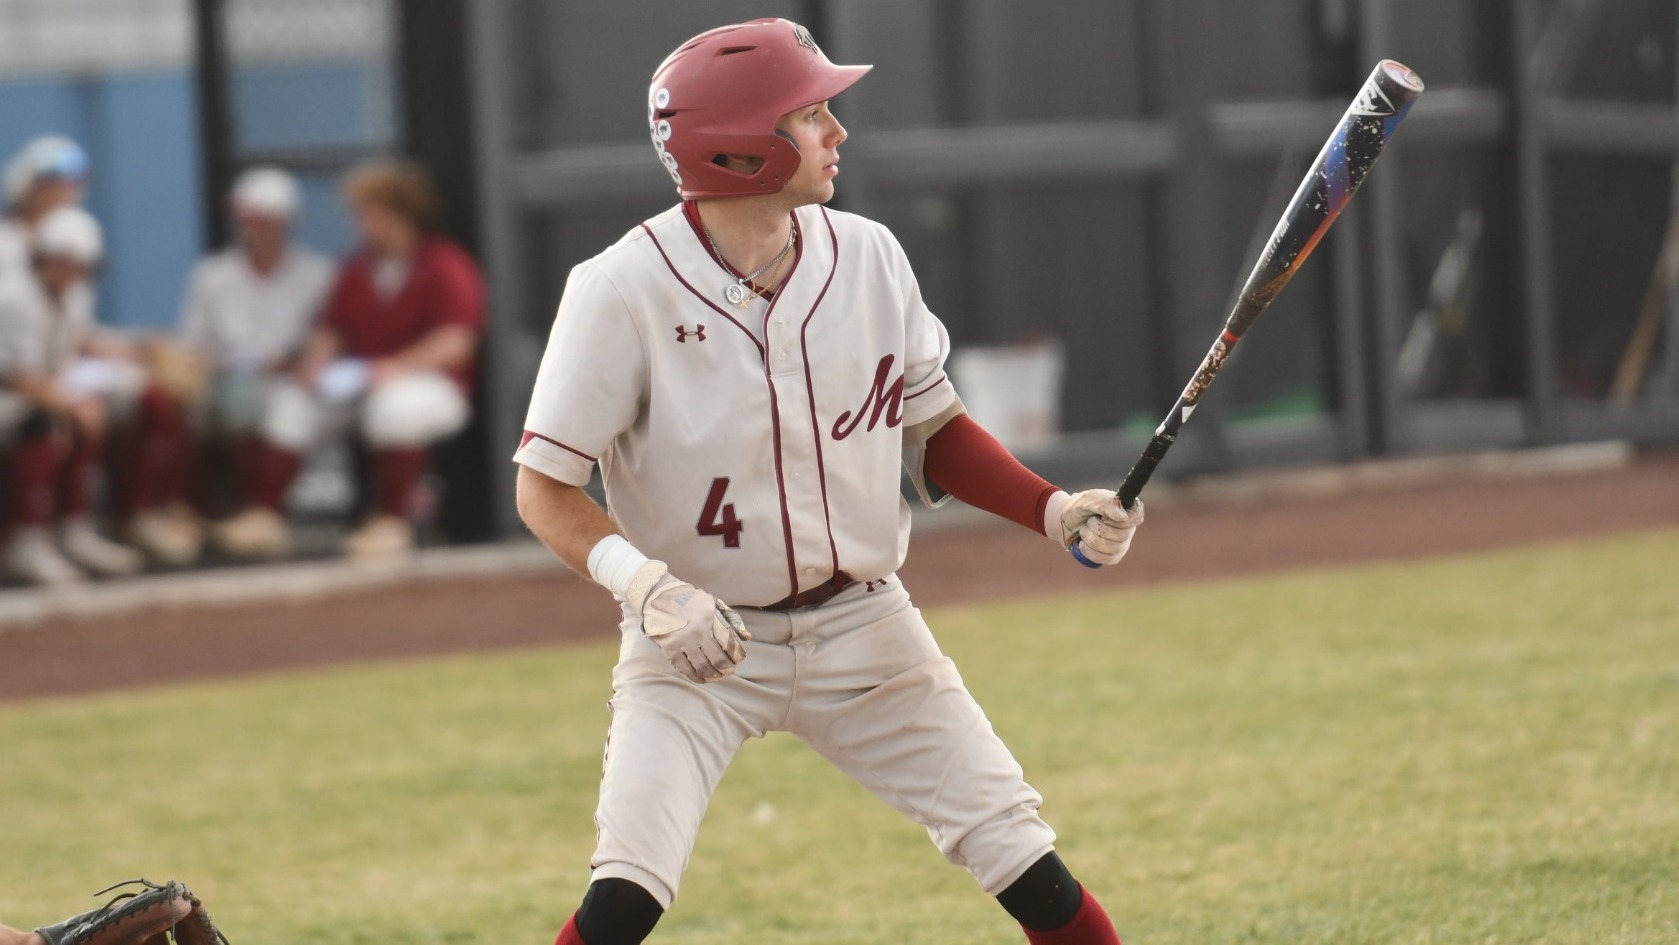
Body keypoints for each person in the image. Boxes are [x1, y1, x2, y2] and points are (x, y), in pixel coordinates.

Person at [513, 19, 1143, 945]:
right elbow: (545, 487)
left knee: (1030, 869)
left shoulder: (869, 255)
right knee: (622, 904)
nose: (837, 133)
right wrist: (645, 588)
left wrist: (1049, 508)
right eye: (810, 115)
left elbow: (930, 431)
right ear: (736, 150)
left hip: (864, 625)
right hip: (699, 644)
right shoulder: (618, 288)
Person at [214, 160, 484, 560]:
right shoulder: (356, 268)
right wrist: (317, 363)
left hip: (430, 386)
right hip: (359, 385)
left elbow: (456, 341)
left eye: (369, 212)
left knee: (396, 408)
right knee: (294, 403)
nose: (361, 222)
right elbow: (331, 329)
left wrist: (393, 368)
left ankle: (392, 523)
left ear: (399, 214)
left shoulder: (445, 263)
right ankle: (265, 517)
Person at [175, 166, 335, 524]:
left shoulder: (319, 274)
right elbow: (193, 343)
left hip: (293, 381)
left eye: (264, 220)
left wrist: (297, 360)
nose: (253, 229)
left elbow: (328, 339)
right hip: (227, 383)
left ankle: (261, 513)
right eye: (247, 220)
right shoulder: (211, 274)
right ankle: (200, 512)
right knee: (224, 402)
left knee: (289, 412)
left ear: (286, 221)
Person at [0, 207, 146, 584]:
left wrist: (130, 351)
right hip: (11, 396)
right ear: (42, 258)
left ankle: (74, 529)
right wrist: (71, 403)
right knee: (47, 423)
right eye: (60, 262)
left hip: (33, 391)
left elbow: (70, 345)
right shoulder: (15, 298)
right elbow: (17, 376)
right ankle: (27, 540)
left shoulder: (75, 295)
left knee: (88, 413)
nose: (69, 272)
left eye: (77, 264)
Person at [0, 136, 89, 279]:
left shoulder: (80, 243)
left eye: (73, 184)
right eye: (53, 184)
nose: (65, 193)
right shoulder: (4, 242)